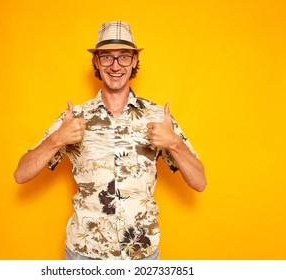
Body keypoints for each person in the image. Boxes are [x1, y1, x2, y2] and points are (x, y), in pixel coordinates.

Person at [14, 20, 206, 260]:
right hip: (84, 255)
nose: (115, 65)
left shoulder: (157, 117)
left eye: (124, 56)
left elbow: (200, 182)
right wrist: (57, 139)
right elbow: (21, 174)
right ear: (96, 62)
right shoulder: (75, 117)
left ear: (135, 60)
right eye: (107, 57)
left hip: (142, 255)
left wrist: (174, 144)